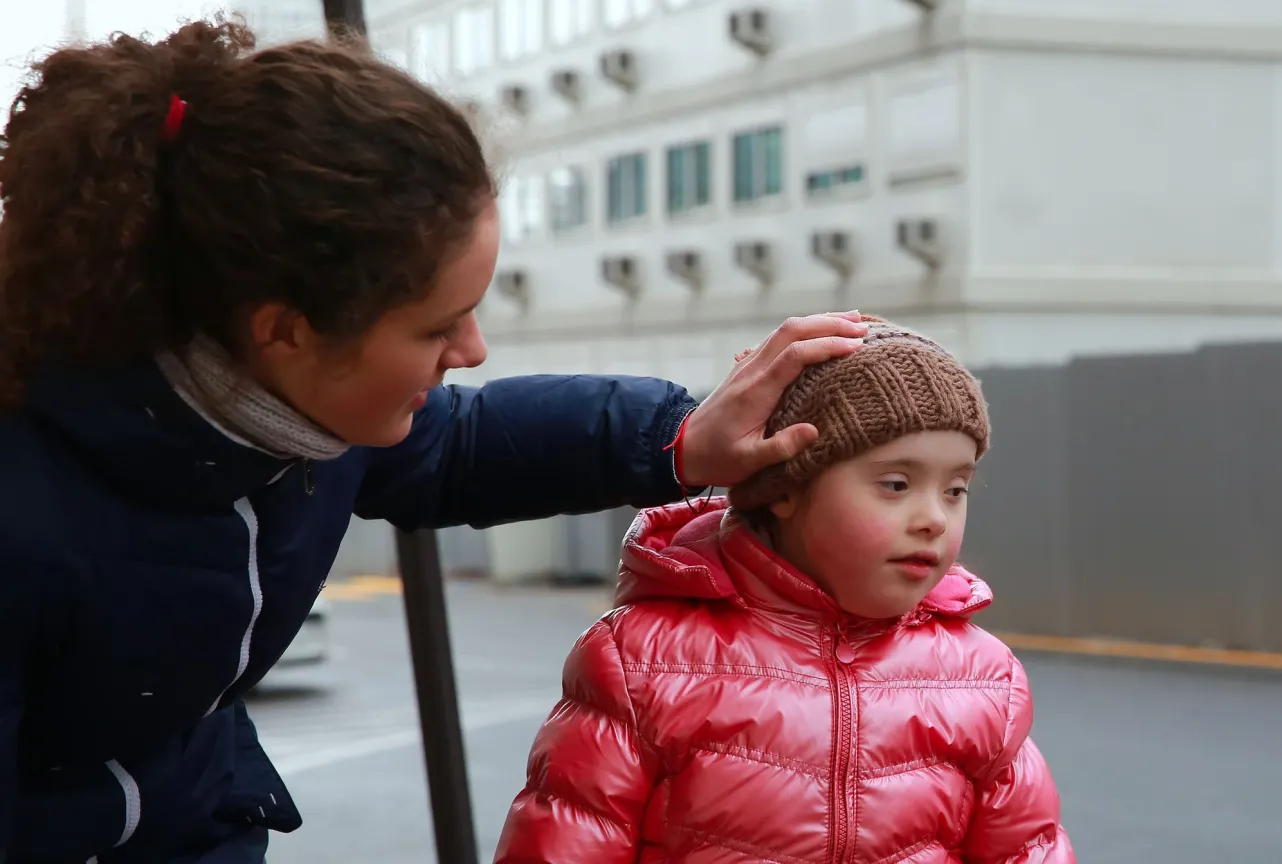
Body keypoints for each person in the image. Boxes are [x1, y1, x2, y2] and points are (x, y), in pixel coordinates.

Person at [0, 18, 872, 864]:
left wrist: (681, 437)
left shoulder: (298, 417)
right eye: (436, 327)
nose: (472, 351)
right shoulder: (29, 510)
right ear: (286, 330)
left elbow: (462, 446)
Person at [495, 316, 1076, 863]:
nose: (933, 518)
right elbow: (566, 840)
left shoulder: (982, 678)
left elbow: (1028, 848)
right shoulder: (642, 661)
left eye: (956, 489)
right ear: (785, 487)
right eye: (895, 484)